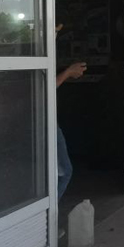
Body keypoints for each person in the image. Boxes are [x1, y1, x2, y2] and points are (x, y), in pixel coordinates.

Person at [56, 22, 86, 199]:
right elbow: (45, 87)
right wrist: (68, 72)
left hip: (45, 122)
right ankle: (49, 214)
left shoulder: (41, 51)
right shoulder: (35, 54)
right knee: (64, 172)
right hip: (44, 124)